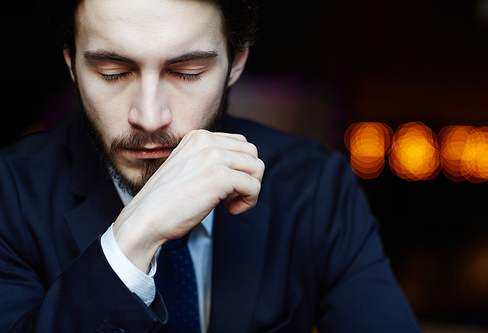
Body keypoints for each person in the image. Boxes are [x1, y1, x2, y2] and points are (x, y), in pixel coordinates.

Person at [0, 0, 421, 332]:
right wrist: (135, 235)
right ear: (72, 61)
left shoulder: (315, 187)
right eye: (113, 72)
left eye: (187, 72)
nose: (149, 117)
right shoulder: (12, 193)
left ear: (235, 63)